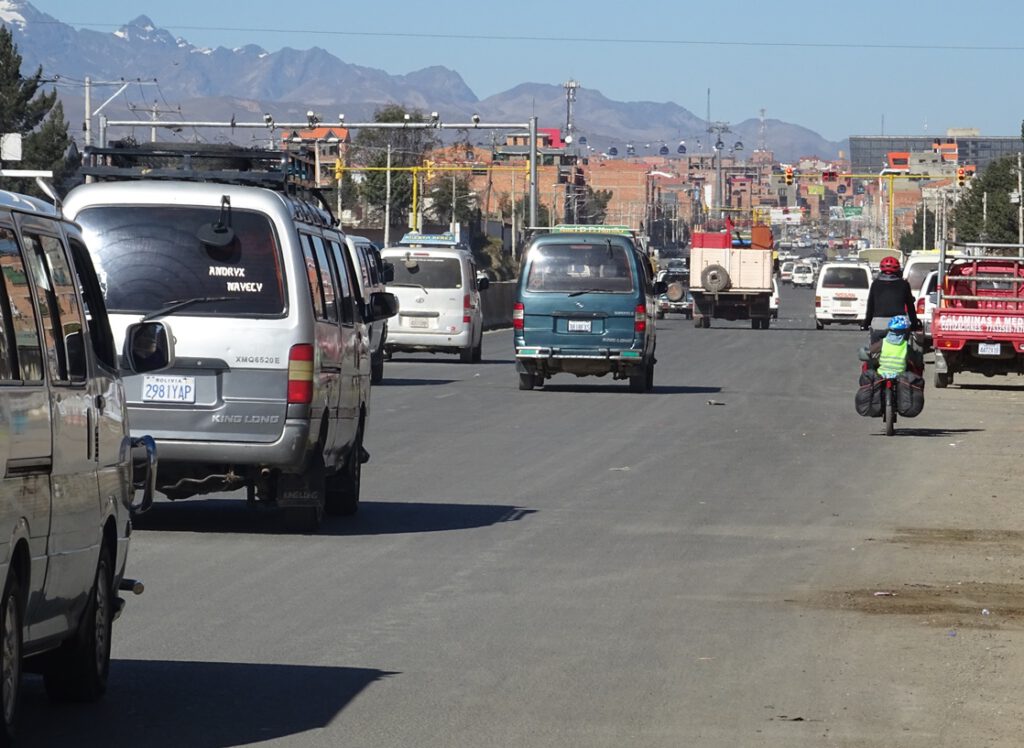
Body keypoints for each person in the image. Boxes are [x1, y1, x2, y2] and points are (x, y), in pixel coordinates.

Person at [862, 255, 920, 333]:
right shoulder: (904, 284)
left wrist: (866, 323)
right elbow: (910, 306)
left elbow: (870, 306)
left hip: (878, 323)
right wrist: (914, 323)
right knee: (903, 342)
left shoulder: (875, 284)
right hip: (899, 323)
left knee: (875, 343)